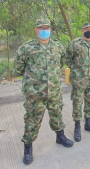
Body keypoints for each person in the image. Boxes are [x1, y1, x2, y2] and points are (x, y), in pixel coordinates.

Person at [14, 19, 73, 165]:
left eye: (47, 27)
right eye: (41, 28)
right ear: (36, 30)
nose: (45, 30)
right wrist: (32, 79)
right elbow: (18, 67)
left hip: (54, 90)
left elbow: (61, 63)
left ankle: (60, 136)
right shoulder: (26, 48)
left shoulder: (58, 46)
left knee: (57, 114)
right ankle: (28, 147)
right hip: (35, 93)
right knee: (32, 120)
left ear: (51, 29)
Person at [65, 22, 90, 142]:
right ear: (82, 31)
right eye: (86, 29)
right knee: (77, 104)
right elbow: (68, 60)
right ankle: (77, 127)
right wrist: (77, 72)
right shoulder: (74, 44)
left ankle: (88, 123)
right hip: (79, 80)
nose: (88, 30)